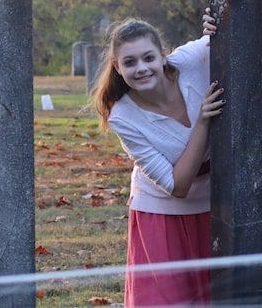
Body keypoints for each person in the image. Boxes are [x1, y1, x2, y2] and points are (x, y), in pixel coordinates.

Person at [92, 16, 223, 306]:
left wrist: (218, 21)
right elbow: (178, 186)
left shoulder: (189, 61)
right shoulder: (123, 117)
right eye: (129, 62)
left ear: (163, 56)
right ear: (117, 67)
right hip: (163, 212)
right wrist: (202, 122)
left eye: (148, 58)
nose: (141, 68)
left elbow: (226, 32)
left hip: (214, 204)